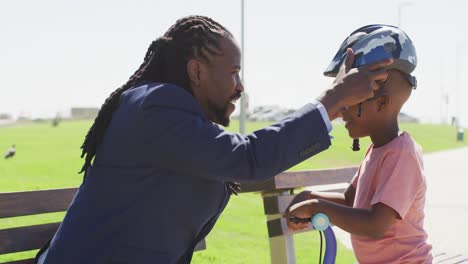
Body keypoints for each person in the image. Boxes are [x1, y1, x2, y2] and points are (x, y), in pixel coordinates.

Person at [37, 16, 391, 264]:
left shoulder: (177, 116)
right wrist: (333, 99)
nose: (240, 86)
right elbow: (248, 159)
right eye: (234, 72)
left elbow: (239, 159)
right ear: (196, 71)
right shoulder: (158, 106)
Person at [285, 25, 432, 264]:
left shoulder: (402, 155)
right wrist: (308, 196)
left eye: (351, 99)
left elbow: (375, 225)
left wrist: (316, 206)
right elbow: (352, 202)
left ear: (381, 103)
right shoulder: (377, 150)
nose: (342, 110)